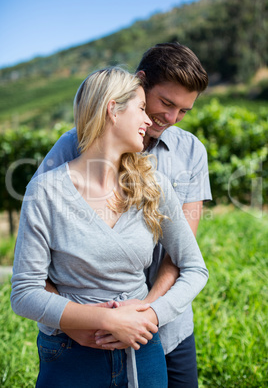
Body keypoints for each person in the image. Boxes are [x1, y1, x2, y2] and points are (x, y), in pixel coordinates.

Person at [11, 67, 208, 388]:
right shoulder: (46, 190)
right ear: (112, 109)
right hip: (70, 353)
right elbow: (24, 292)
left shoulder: (153, 186)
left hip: (142, 351)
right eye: (142, 109)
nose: (151, 121)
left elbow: (195, 268)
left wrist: (151, 315)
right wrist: (105, 320)